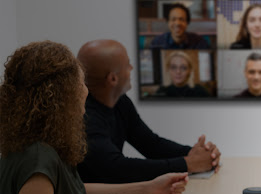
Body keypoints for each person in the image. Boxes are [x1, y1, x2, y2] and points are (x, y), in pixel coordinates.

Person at [0, 40, 188, 194]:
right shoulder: (37, 157)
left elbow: (75, 190)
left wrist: (149, 188)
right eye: (80, 83)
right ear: (62, 96)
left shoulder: (45, 143)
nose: (86, 90)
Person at [76, 39, 221, 184]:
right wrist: (188, 163)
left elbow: (151, 144)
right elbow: (117, 169)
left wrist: (198, 154)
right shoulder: (85, 116)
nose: (132, 68)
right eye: (127, 65)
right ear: (113, 79)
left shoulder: (120, 101)